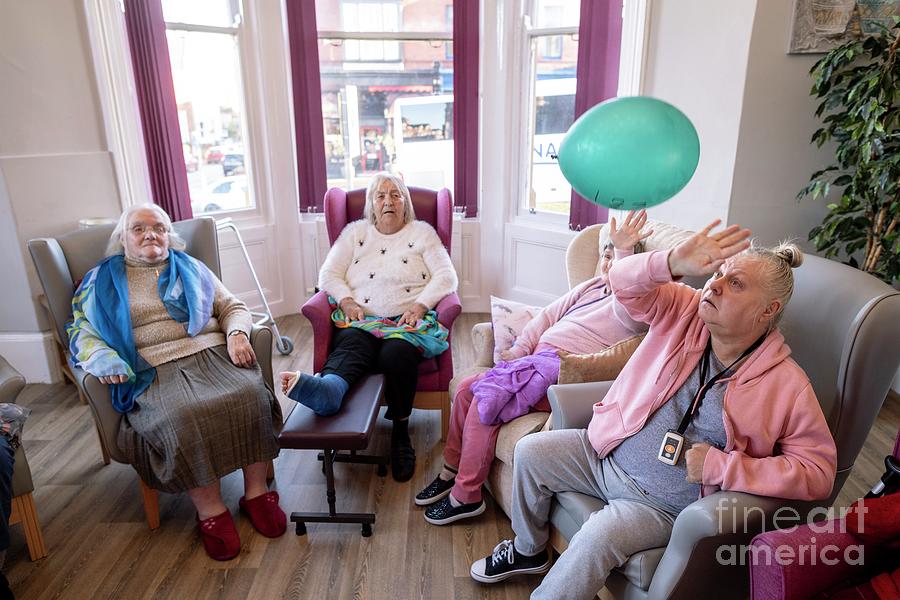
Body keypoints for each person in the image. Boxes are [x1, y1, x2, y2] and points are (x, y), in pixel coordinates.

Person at [469, 221, 838, 599]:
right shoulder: (685, 310)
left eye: (736, 284)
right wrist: (674, 260)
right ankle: (528, 551)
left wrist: (724, 467)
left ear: (767, 310)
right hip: (604, 455)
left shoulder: (786, 385)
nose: (715, 285)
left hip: (656, 505)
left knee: (597, 535)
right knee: (529, 452)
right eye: (718, 275)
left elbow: (819, 472)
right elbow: (623, 284)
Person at [67, 204, 285, 561]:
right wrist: (104, 359)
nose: (150, 234)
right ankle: (211, 511)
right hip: (151, 366)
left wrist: (236, 334)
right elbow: (81, 329)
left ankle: (256, 493)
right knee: (182, 414)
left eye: (158, 227)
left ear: (170, 236)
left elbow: (233, 306)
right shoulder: (100, 280)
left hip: (212, 351)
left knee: (250, 394)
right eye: (138, 228)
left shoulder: (192, 268)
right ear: (123, 239)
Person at [415, 210, 653, 525]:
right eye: (606, 256)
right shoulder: (591, 287)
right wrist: (519, 350)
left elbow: (629, 302)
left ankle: (466, 496)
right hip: (533, 362)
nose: (609, 263)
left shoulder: (634, 306)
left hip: (559, 371)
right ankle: (452, 470)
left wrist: (624, 254)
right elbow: (546, 317)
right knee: (464, 389)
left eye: (618, 259)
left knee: (488, 398)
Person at [280, 172, 458, 482]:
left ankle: (400, 435)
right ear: (371, 205)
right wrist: (347, 301)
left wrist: (419, 306)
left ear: (405, 203)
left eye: (395, 195)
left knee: (396, 355)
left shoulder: (423, 233)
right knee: (352, 345)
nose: (388, 201)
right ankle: (328, 392)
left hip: (406, 322)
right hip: (361, 318)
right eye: (380, 196)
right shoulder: (355, 233)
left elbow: (447, 278)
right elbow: (328, 276)